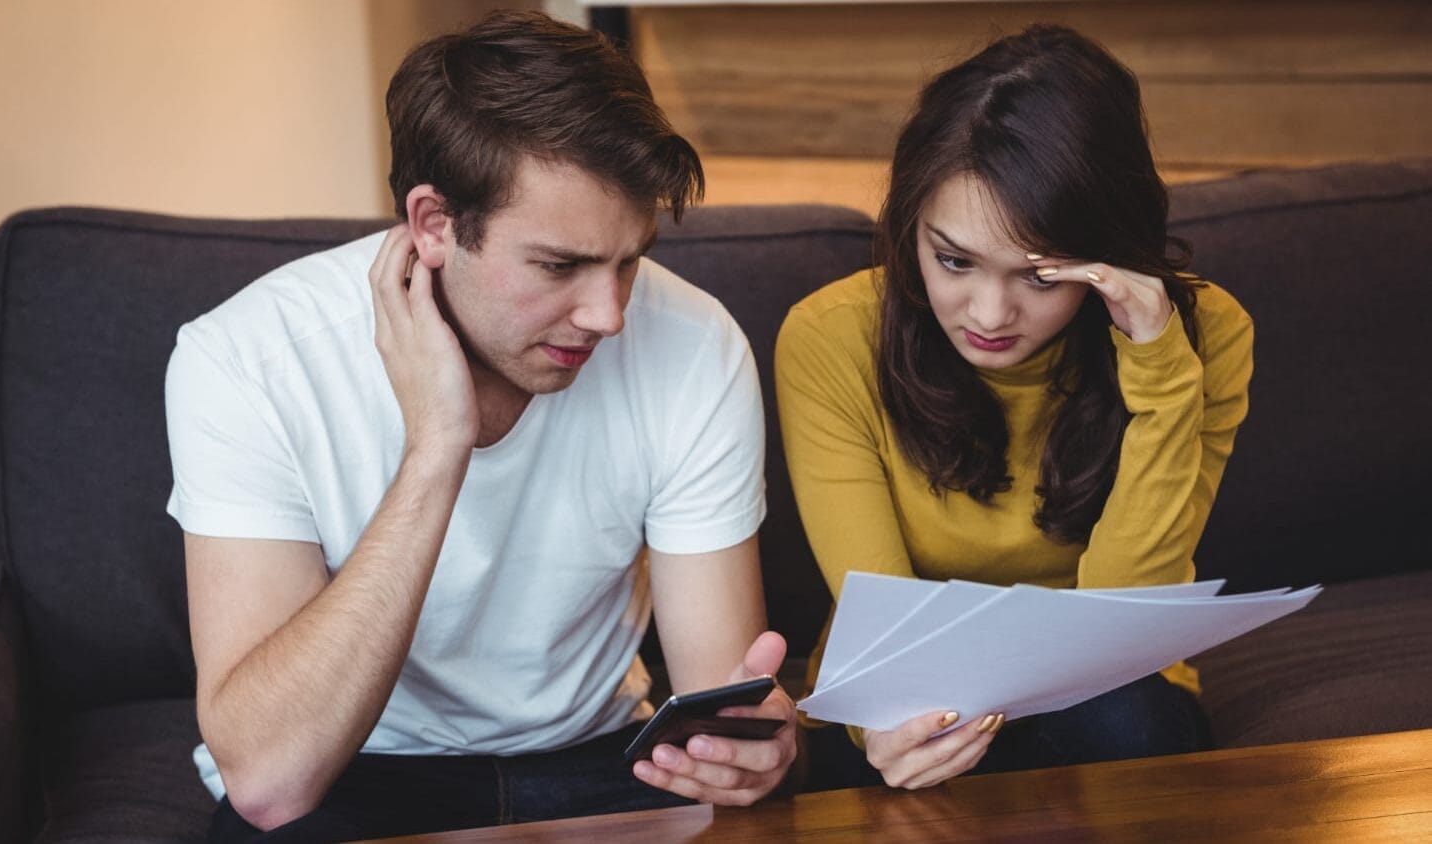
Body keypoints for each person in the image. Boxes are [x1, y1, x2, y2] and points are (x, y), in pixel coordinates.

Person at [165, 11, 796, 840]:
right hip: (355, 775)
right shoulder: (248, 359)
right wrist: (436, 448)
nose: (608, 315)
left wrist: (751, 752)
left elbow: (719, 688)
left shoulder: (694, 342)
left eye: (629, 259)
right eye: (559, 265)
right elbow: (271, 781)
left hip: (602, 761)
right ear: (433, 225)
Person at [775, 24, 1253, 791]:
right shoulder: (831, 337)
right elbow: (885, 621)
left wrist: (1159, 371)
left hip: (1106, 696)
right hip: (903, 697)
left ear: (1111, 256)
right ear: (909, 229)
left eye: (1040, 276)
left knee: (1127, 717)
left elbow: (1124, 628)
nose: (989, 314)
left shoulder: (1203, 338)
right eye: (954, 260)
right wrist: (885, 729)